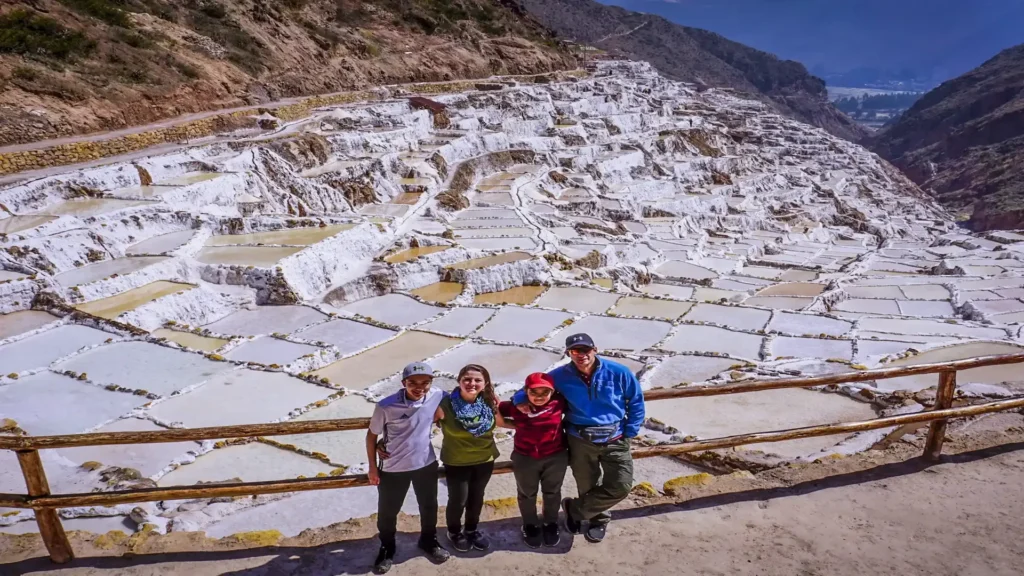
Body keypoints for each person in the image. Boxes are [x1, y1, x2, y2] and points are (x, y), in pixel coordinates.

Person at [514, 332, 645, 544]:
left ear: (595, 349)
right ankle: (597, 520)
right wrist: (521, 399)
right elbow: (527, 390)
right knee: (587, 483)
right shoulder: (559, 376)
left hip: (616, 437)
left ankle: (575, 510)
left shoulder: (619, 372)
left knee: (621, 485)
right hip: (579, 438)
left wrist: (630, 431)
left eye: (585, 350)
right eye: (575, 351)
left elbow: (636, 401)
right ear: (568, 353)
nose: (581, 355)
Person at [366, 362, 450, 574]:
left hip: (426, 463)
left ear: (431, 383)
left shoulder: (437, 394)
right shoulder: (386, 405)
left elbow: (466, 396)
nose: (419, 387)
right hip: (393, 467)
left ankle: (428, 541)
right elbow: (371, 435)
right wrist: (373, 468)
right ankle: (387, 547)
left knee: (429, 506)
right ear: (404, 383)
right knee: (388, 511)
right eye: (413, 382)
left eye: (425, 382)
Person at [435, 364, 503, 553]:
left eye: (477, 380)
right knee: (458, 499)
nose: (472, 383)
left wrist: (536, 426)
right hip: (456, 460)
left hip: (485, 458)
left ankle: (472, 530)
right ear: (459, 381)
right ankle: (455, 532)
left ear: (485, 383)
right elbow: (419, 424)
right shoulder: (445, 405)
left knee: (476, 497)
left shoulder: (489, 402)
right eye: (467, 379)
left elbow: (502, 422)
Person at [498, 372, 568, 548]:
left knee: (552, 491)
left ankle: (550, 523)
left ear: (553, 392)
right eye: (534, 392)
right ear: (526, 391)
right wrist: (517, 400)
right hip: (525, 457)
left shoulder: (559, 402)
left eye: (545, 392)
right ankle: (529, 524)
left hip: (555, 455)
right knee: (526, 493)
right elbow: (494, 407)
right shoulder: (516, 407)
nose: (539, 397)